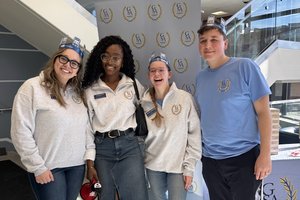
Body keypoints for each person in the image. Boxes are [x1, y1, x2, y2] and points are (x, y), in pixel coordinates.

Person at [195, 16, 272, 200]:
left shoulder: (245, 67)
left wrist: (266, 155)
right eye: (203, 41)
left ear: (225, 43)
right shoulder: (200, 78)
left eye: (214, 39)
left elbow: (264, 113)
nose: (208, 45)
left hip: (243, 158)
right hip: (211, 160)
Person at [10, 37, 88, 200]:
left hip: (76, 167)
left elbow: (86, 129)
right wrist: (37, 167)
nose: (68, 65)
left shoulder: (79, 93)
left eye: (74, 63)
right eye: (64, 59)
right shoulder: (32, 88)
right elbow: (20, 131)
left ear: (78, 69)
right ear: (55, 59)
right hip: (49, 168)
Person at [82, 35, 148, 200]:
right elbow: (87, 129)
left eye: (116, 57)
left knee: (137, 196)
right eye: (106, 56)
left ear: (123, 61)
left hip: (130, 147)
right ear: (100, 58)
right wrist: (90, 163)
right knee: (106, 196)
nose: (110, 62)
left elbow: (150, 109)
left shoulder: (132, 85)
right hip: (102, 150)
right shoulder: (90, 90)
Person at [141, 52, 201, 200]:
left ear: (169, 74)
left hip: (178, 167)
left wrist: (189, 168)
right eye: (153, 70)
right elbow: (140, 137)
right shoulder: (144, 102)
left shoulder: (184, 98)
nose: (157, 74)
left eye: (161, 70)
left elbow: (194, 135)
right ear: (149, 75)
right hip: (153, 167)